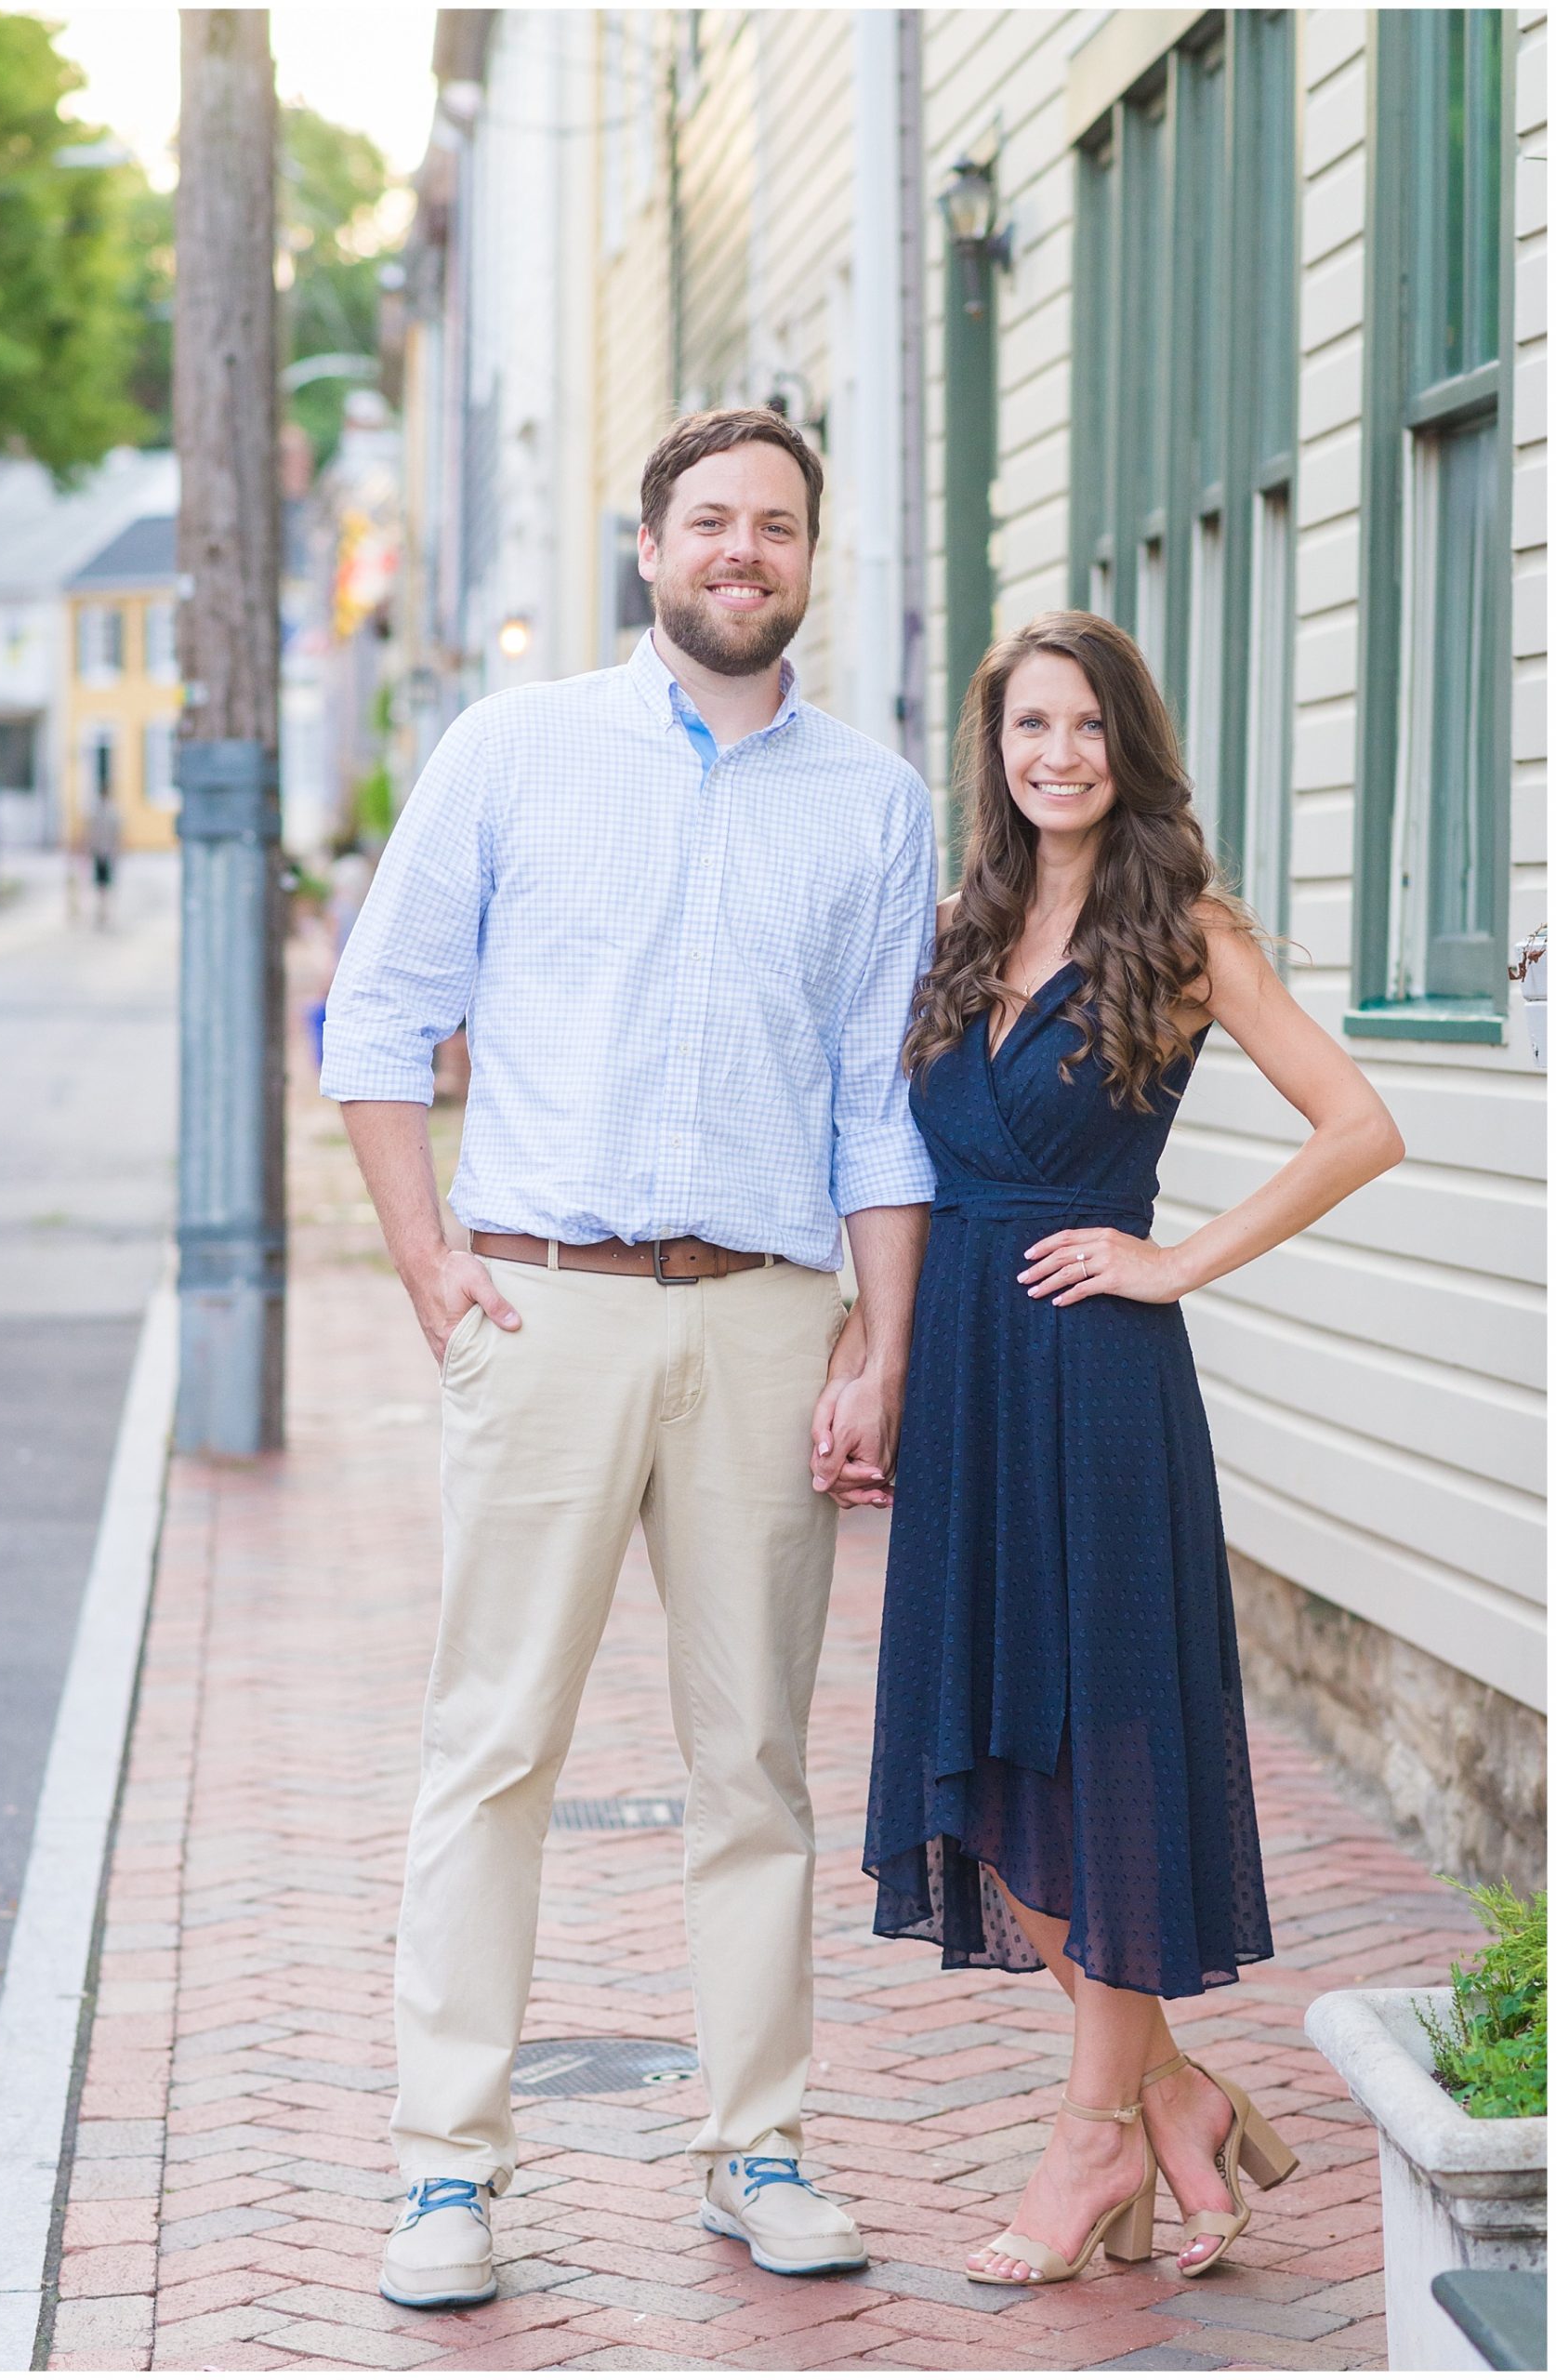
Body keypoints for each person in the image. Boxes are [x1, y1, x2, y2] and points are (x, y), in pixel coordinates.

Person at [320, 407, 935, 2307]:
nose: (742, 550)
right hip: (547, 1301)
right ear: (648, 546)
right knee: (495, 1738)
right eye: (710, 522)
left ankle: (755, 2142)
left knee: (753, 1755)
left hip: (763, 1315)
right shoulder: (516, 748)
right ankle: (448, 2168)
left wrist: (879, 1346)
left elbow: (874, 1112)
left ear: (808, 559)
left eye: (775, 525)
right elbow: (379, 1011)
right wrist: (425, 1260)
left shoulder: (877, 801)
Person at [817, 613, 1403, 2289]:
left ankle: (1088, 2149)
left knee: (1095, 1758)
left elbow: (1356, 1125)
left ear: (1124, 745)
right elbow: (905, 1177)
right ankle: (1176, 2105)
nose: (1053, 753)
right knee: (982, 1775)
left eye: (1081, 725)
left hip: (1093, 1379)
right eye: (1024, 728)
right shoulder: (956, 929)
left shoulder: (1185, 929)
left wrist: (1169, 1258)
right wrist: (877, 1358)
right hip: (963, 1397)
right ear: (992, 754)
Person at [85, 779, 121, 930]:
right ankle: (103, 910)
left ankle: (103, 910)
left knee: (103, 883)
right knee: (103, 883)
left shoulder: (103, 812)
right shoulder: (108, 812)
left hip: (102, 851)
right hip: (103, 851)